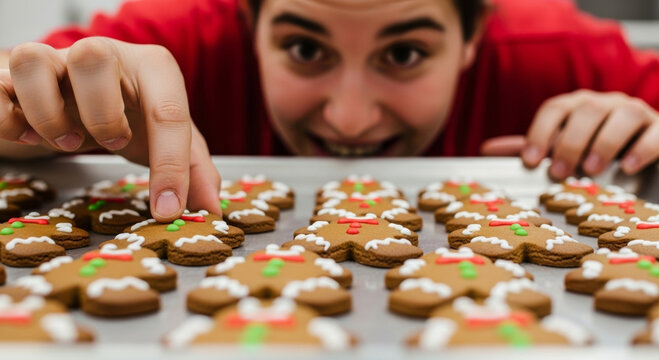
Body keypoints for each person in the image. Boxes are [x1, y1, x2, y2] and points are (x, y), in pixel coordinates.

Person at [0, 0, 657, 223]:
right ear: (247, 18)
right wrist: (26, 115)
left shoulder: (565, 54)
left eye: (402, 53)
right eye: (303, 48)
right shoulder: (175, 39)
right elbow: (23, 79)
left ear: (473, 37)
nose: (347, 118)